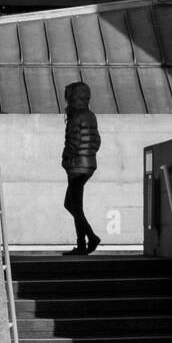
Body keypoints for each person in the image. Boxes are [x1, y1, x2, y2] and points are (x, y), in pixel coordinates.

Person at [61, 81, 102, 255]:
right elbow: (97, 141)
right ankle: (88, 239)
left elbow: (72, 142)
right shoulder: (91, 115)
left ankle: (86, 242)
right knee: (72, 204)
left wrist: (65, 158)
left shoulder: (75, 117)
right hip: (88, 164)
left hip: (76, 166)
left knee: (73, 206)